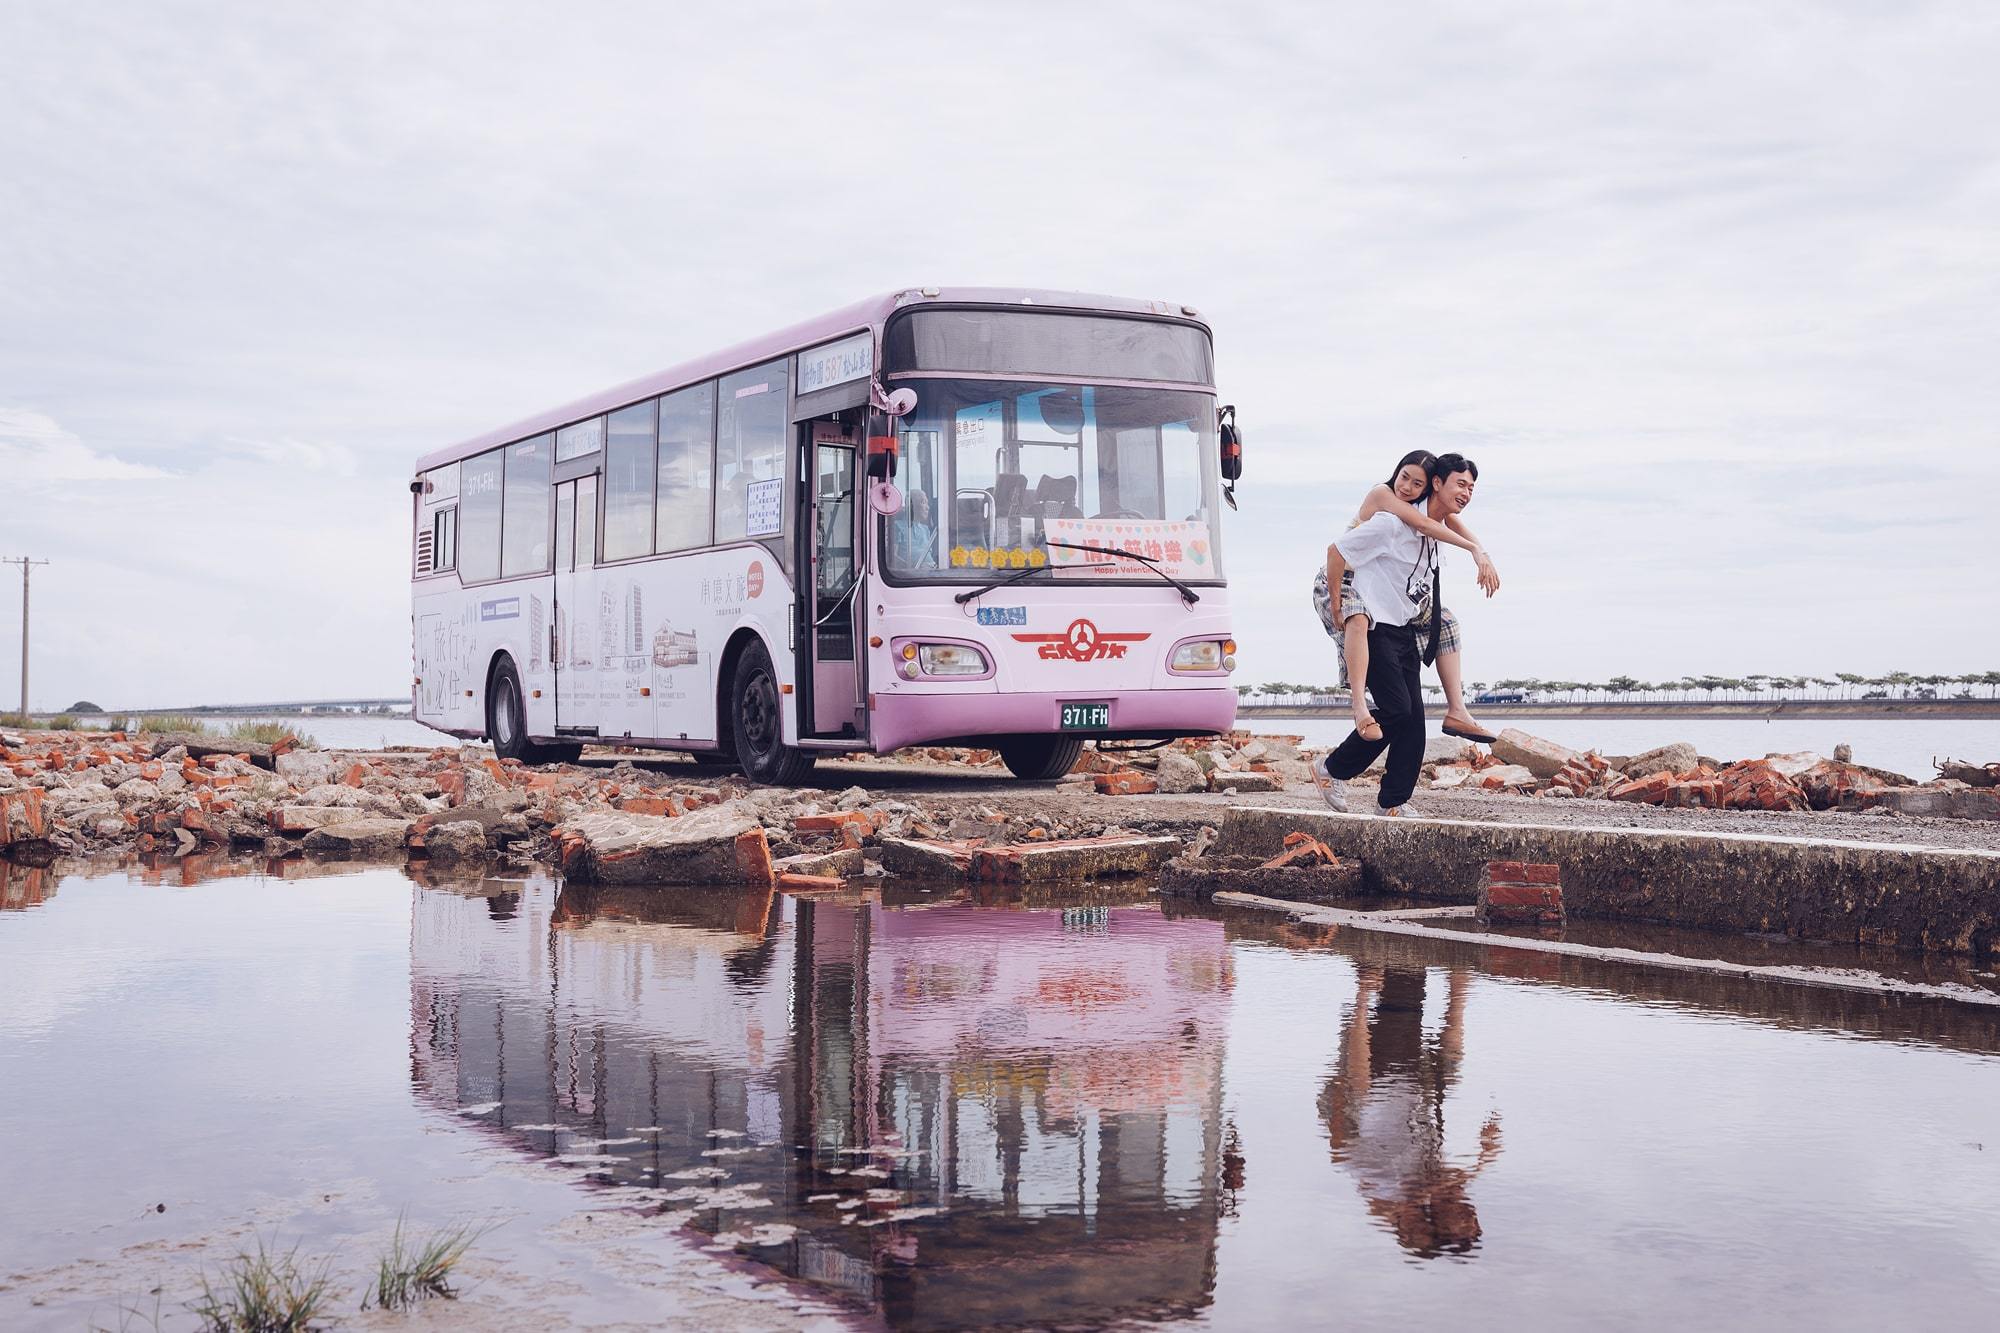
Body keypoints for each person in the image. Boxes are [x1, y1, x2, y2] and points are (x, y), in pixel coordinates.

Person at [1314, 452, 1499, 742]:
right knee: (1358, 620)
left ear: (1428, 487)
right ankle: (1360, 706)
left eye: (1417, 484)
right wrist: (1474, 552)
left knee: (1446, 622)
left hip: (1385, 588)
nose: (1408, 487)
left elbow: (1448, 522)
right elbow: (1426, 525)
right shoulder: (1385, 497)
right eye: (1404, 477)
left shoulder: (1419, 509)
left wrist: (1483, 552)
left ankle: (1458, 711)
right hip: (1343, 577)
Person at [892, 488, 937, 569]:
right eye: (923, 502)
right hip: (910, 576)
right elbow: (892, 557)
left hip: (931, 573)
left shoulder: (926, 529)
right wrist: (915, 568)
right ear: (911, 505)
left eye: (927, 503)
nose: (928, 508)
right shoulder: (896, 526)